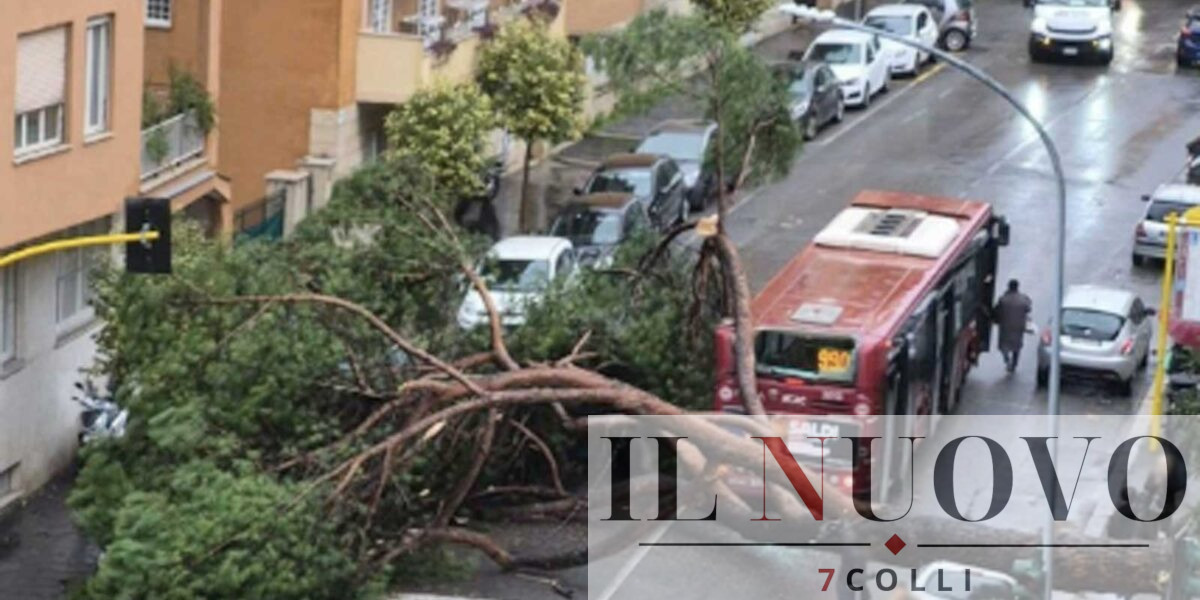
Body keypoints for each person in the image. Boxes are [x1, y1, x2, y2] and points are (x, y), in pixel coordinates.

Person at [993, 279, 1032, 373]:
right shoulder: (1023, 299)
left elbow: (996, 310)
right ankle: (1014, 363)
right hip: (1018, 326)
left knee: (1003, 345)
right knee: (1016, 346)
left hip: (1005, 326)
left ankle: (1007, 359)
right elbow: (1028, 308)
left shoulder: (1003, 299)